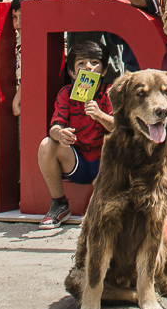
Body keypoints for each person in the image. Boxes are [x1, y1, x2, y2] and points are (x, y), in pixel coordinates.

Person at [36, 41, 118, 228]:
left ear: (104, 71)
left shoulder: (111, 92)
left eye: (94, 62)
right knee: (46, 144)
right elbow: (54, 127)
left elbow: (122, 128)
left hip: (105, 165)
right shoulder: (66, 93)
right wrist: (60, 134)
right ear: (73, 73)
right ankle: (59, 205)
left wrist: (100, 115)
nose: (88, 67)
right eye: (81, 63)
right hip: (78, 162)